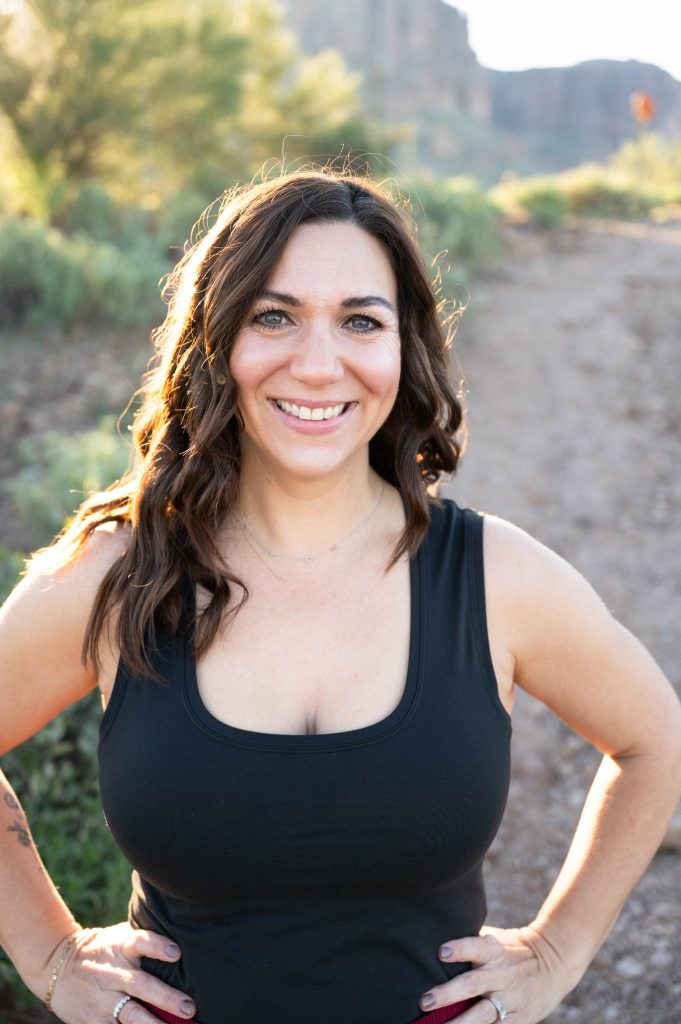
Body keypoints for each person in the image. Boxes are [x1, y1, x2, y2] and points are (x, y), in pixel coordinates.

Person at [0, 169, 680, 1024]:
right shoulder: (119, 572)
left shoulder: (492, 577)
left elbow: (654, 738)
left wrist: (556, 949)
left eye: (361, 321)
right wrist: (50, 954)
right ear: (215, 338)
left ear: (406, 348)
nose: (317, 365)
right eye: (273, 317)